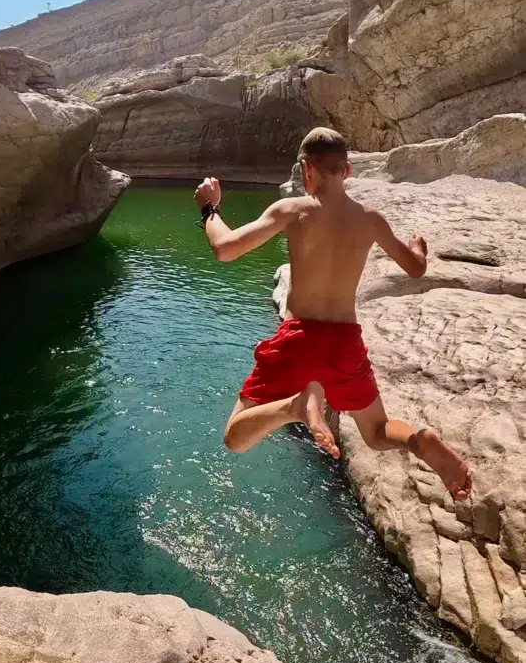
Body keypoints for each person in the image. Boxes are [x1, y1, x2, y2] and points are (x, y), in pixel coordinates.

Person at [194, 127, 472, 499]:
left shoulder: (292, 210)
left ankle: (295, 407)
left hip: (298, 339)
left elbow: (225, 249)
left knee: (236, 438)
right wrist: (418, 248)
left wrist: (209, 209)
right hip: (344, 344)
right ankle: (418, 442)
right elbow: (416, 269)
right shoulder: (370, 218)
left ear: (306, 170)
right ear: (348, 171)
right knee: (376, 433)